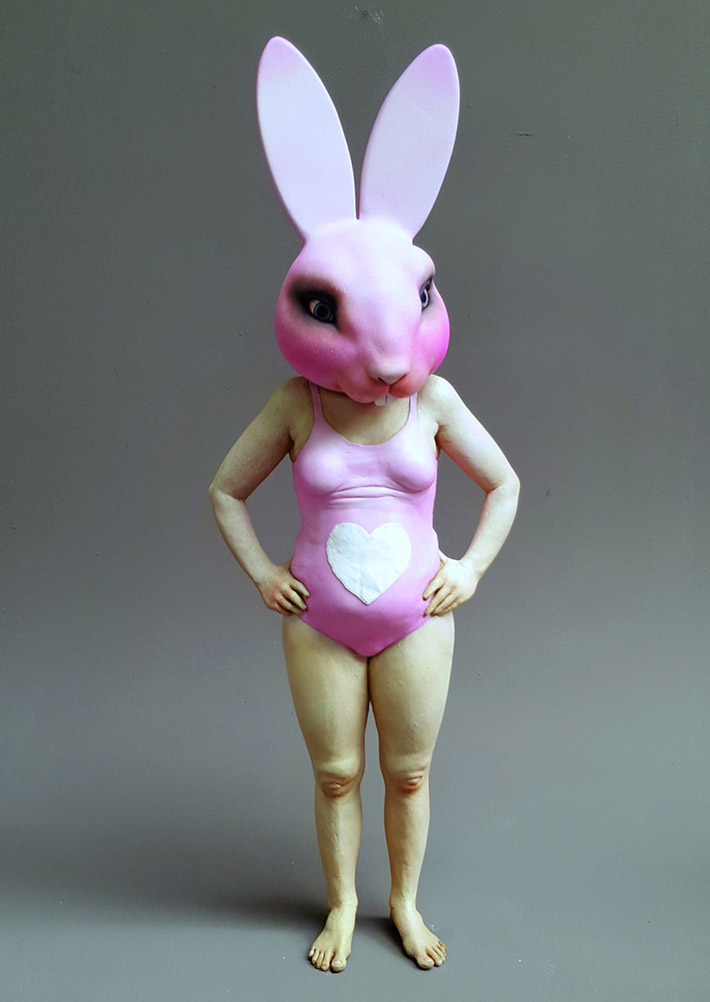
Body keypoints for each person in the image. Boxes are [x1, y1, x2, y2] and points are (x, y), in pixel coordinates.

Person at [209, 38, 520, 972]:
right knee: (338, 773)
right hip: (320, 621)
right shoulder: (294, 404)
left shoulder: (436, 401)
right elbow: (226, 490)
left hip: (418, 615)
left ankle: (405, 904)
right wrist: (263, 573)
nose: (384, 367)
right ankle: (343, 903)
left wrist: (469, 568)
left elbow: (503, 483)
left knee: (409, 772)